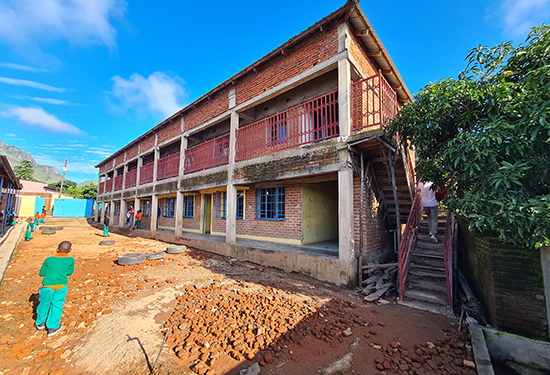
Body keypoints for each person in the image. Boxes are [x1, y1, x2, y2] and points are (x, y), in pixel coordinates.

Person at [35, 241, 75, 337]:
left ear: (57, 249)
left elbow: (41, 273)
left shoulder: (49, 260)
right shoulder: (71, 260)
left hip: (47, 286)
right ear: (70, 250)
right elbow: (69, 273)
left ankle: (40, 322)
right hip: (61, 286)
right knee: (57, 305)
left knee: (44, 303)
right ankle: (52, 327)